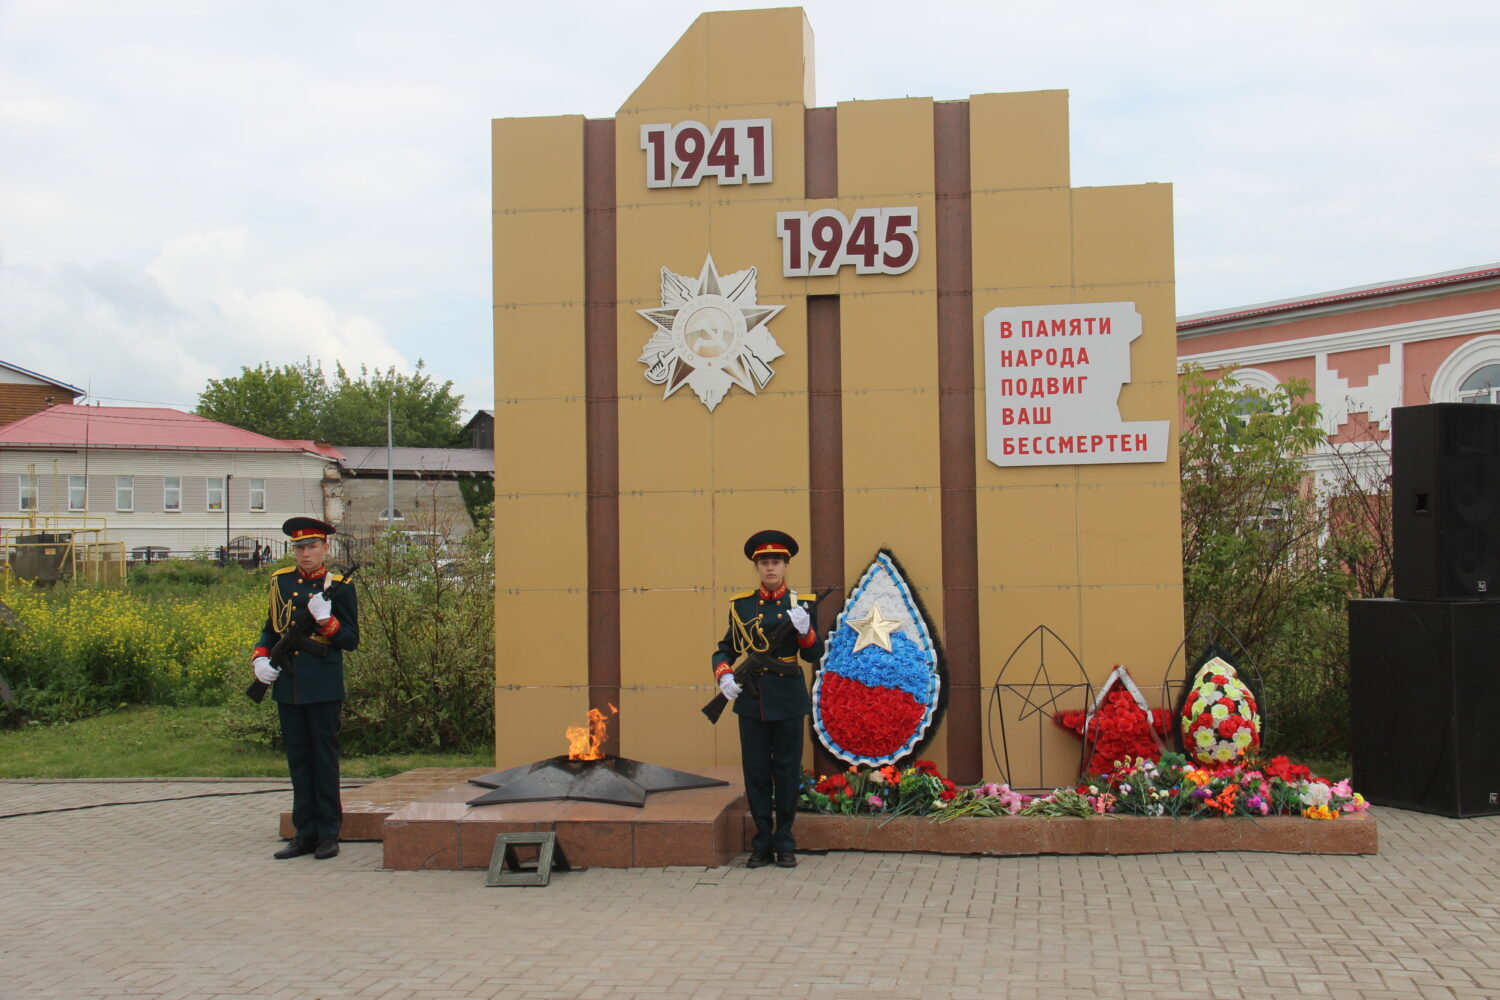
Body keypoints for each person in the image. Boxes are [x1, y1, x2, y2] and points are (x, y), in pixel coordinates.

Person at [711, 529, 822, 869]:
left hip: (788, 699)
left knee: (787, 773)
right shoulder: (742, 605)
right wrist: (725, 674)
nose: (770, 569)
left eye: (776, 562)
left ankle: (785, 842)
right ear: (757, 568)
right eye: (764, 563)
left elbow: (813, 655)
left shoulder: (804, 605)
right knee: (757, 773)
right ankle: (762, 843)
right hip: (752, 698)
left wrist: (805, 631)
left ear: (786, 566)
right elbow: (724, 649)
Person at [250, 517, 359, 860]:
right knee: (298, 760)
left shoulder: (339, 584)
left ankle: (328, 833)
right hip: (290, 684)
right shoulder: (280, 581)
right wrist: (261, 659)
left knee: (323, 761)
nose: (305, 553)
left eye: (312, 546)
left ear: (326, 548)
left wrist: (327, 621)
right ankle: (304, 833)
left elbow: (351, 640)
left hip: (322, 684)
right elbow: (270, 629)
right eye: (299, 548)